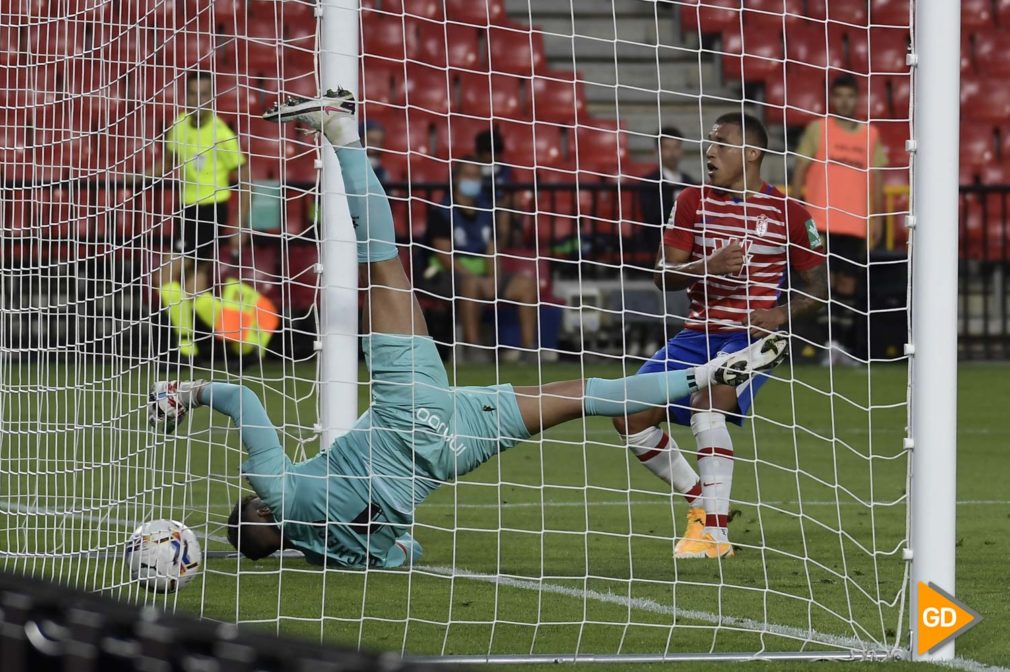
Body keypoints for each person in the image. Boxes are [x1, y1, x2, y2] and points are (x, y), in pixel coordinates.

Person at [147, 90, 791, 569]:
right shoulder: (274, 487)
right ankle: (340, 130)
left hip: (452, 448)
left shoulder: (341, 554)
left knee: (584, 397)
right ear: (258, 510)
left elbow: (408, 548)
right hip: (404, 405)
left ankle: (702, 377)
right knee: (382, 261)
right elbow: (244, 399)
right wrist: (188, 395)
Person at [612, 113, 828, 559]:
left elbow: (820, 292)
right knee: (628, 416)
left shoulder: (789, 211)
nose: (709, 152)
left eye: (721, 144)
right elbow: (662, 274)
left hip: (748, 339)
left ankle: (714, 535)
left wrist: (781, 312)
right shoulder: (691, 201)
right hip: (695, 334)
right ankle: (701, 504)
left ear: (751, 153)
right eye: (709, 144)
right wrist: (706, 266)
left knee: (707, 408)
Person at [150, 71, 252, 359]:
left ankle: (186, 347)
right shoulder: (179, 126)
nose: (197, 101)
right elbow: (165, 165)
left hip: (210, 212)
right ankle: (244, 334)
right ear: (186, 97)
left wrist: (238, 225)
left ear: (212, 99)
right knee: (195, 292)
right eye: (193, 94)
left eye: (204, 95)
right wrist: (130, 177)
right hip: (185, 212)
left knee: (165, 279)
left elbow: (246, 180)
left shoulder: (221, 134)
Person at [790, 74, 887, 364]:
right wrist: (797, 206)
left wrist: (878, 218)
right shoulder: (818, 130)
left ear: (857, 99)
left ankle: (840, 346)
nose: (845, 101)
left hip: (855, 222)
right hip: (822, 218)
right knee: (823, 282)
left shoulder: (871, 135)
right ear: (832, 98)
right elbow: (800, 168)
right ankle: (826, 346)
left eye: (850, 96)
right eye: (839, 95)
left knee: (848, 284)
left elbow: (876, 179)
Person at [424, 158, 537, 361]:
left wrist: (493, 278)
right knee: (471, 284)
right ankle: (473, 349)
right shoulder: (441, 212)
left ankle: (529, 350)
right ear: (456, 178)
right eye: (468, 176)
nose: (473, 181)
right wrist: (479, 280)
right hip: (444, 275)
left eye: (477, 176)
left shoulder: (487, 211)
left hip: (482, 276)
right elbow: (445, 257)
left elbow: (492, 251)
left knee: (525, 285)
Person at [637, 126, 697, 255]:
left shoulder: (689, 182)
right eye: (667, 148)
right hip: (658, 243)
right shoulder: (649, 182)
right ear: (657, 151)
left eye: (676, 147)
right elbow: (652, 216)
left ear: (682, 151)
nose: (672, 153)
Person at [362, 119, 390, 185]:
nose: (376, 146)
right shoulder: (347, 168)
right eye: (372, 141)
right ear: (361, 139)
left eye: (380, 142)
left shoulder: (382, 172)